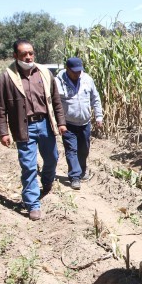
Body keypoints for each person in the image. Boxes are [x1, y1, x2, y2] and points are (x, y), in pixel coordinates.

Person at [0, 39, 67, 221]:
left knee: (52, 157)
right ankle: (33, 204)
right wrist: (3, 132)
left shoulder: (44, 73)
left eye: (31, 53)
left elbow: (55, 101)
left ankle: (47, 181)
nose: (28, 57)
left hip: (45, 124)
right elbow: (0, 107)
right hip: (23, 126)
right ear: (15, 56)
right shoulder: (7, 77)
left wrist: (61, 122)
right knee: (28, 166)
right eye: (24, 54)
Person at [55, 57, 103, 190]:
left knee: (84, 149)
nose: (77, 74)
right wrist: (59, 122)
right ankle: (75, 177)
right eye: (74, 71)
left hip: (85, 123)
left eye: (79, 71)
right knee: (71, 150)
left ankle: (82, 170)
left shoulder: (87, 79)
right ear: (67, 69)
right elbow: (55, 103)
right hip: (68, 124)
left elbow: (95, 97)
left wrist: (98, 116)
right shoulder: (59, 82)